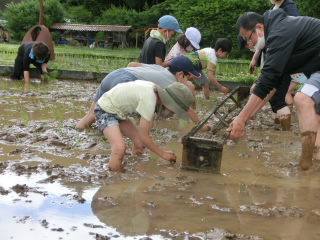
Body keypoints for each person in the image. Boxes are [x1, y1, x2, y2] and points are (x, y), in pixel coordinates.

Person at [227, 9, 320, 170]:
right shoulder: (277, 34)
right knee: (317, 148)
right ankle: (311, 175)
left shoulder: (280, 32)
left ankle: (304, 166)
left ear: (259, 28)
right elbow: (274, 83)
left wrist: (241, 118)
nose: (250, 45)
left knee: (303, 98)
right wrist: (246, 117)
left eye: (248, 39)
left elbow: (269, 78)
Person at [76, 55, 211, 131]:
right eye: (188, 77)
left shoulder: (159, 69)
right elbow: (187, 109)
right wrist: (202, 126)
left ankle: (78, 130)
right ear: (181, 74)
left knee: (92, 114)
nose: (189, 80)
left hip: (114, 75)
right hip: (124, 81)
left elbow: (132, 64)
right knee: (124, 121)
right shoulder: (171, 84)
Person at [95, 80, 194, 172]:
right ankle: (114, 179)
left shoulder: (155, 93)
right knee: (119, 148)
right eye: (173, 110)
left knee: (140, 144)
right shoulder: (150, 100)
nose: (172, 114)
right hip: (105, 109)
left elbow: (144, 134)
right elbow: (144, 136)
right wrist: (163, 154)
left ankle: (136, 168)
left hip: (119, 111)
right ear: (168, 102)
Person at [241, 0, 304, 130]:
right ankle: (281, 128)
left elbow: (294, 33)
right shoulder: (271, 10)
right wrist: (255, 57)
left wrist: (247, 114)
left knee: (281, 95)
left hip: (289, 58)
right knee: (276, 97)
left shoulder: (289, 7)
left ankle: (286, 130)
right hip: (280, 58)